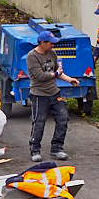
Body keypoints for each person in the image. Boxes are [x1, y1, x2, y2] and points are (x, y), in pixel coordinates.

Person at [26, 31, 73, 162]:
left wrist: (70, 80)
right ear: (42, 43)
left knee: (63, 118)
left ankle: (57, 148)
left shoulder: (52, 53)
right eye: (50, 43)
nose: (53, 46)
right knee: (39, 123)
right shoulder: (32, 56)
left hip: (54, 93)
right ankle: (35, 150)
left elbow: (58, 72)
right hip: (39, 95)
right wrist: (56, 73)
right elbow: (41, 76)